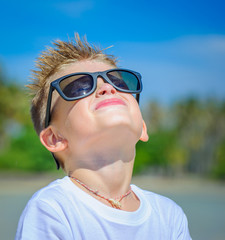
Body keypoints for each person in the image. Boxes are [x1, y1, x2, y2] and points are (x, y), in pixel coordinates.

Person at [15, 34, 192, 240]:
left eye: (119, 83)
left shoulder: (168, 215)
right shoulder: (53, 209)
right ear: (55, 138)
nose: (107, 88)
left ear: (143, 128)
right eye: (79, 87)